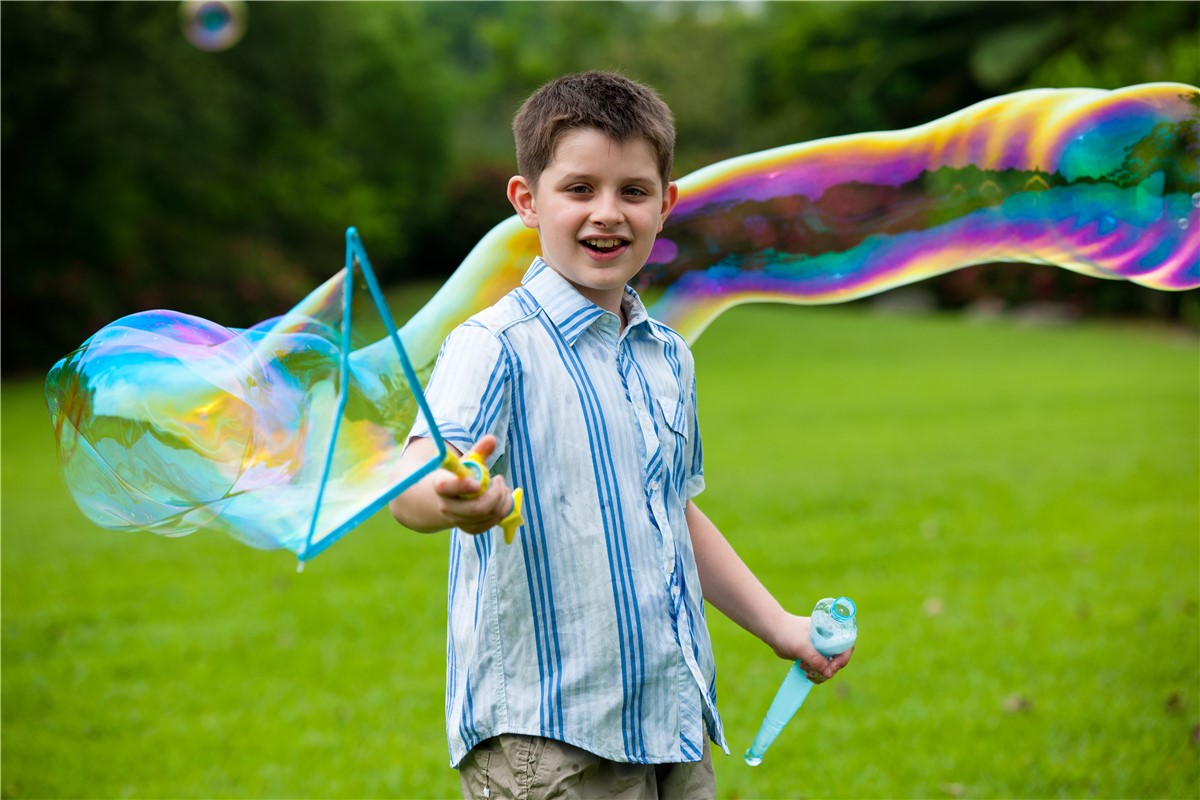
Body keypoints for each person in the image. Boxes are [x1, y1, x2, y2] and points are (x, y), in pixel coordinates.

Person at [389, 70, 852, 799]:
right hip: (548, 737)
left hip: (668, 718)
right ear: (527, 201)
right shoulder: (494, 345)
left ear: (664, 206)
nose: (607, 213)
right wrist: (449, 496)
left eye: (632, 191)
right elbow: (414, 476)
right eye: (579, 189)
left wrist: (779, 627)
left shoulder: (667, 355)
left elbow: (670, 512)